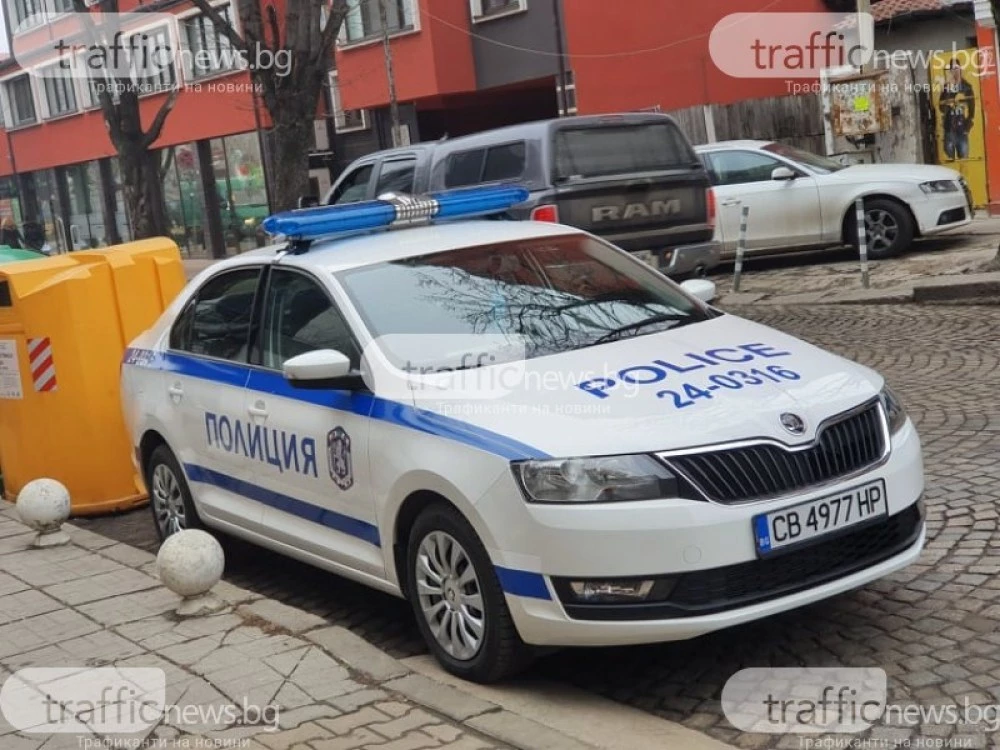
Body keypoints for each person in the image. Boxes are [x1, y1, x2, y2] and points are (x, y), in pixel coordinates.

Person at [939, 59, 976, 161]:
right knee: (949, 165)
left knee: (964, 163)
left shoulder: (967, 87)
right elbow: (942, 108)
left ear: (960, 69)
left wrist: (967, 128)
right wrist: (947, 90)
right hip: (949, 131)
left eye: (956, 68)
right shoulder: (947, 88)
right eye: (952, 68)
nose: (954, 71)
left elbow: (972, 110)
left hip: (962, 131)